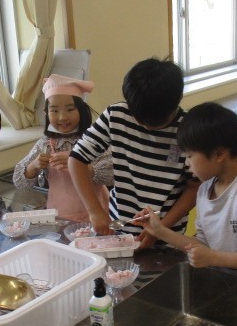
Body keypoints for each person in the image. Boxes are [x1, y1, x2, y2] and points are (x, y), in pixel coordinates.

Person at [138, 102, 237, 278]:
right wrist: (159, 230)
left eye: (190, 155)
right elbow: (203, 246)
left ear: (219, 154)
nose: (186, 163)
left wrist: (213, 257)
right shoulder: (204, 190)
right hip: (231, 277)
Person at [68, 57, 199, 249]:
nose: (146, 126)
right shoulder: (116, 116)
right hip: (119, 229)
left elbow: (194, 186)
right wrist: (94, 210)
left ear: (179, 98)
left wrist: (160, 229)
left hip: (169, 236)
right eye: (139, 119)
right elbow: (76, 159)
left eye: (156, 122)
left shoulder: (189, 130)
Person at [13, 74, 113, 222]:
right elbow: (19, 182)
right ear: (46, 113)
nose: (62, 117)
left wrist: (80, 166)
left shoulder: (93, 140)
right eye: (54, 110)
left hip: (98, 214)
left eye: (70, 109)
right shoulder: (45, 144)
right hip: (61, 215)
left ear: (81, 110)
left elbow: (114, 173)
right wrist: (34, 166)